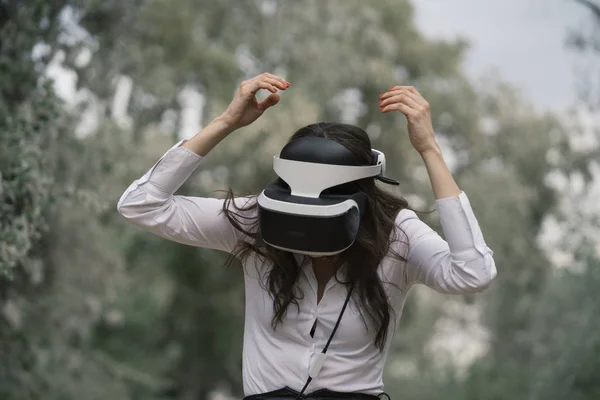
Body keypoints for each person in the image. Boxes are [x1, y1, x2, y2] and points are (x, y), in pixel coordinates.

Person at [117, 72, 497, 399]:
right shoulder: (256, 220)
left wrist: (429, 149)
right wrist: (227, 122)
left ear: (360, 200)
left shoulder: (398, 234)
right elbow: (140, 205)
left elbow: (473, 272)